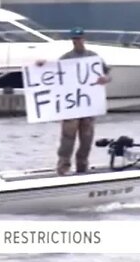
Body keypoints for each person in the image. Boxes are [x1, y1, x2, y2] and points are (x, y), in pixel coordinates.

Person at [37, 27, 111, 175]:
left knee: (87, 139)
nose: (77, 41)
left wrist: (105, 79)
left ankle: (82, 166)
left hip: (88, 105)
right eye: (74, 39)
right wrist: (42, 66)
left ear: (84, 39)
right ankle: (63, 167)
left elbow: (108, 74)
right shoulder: (66, 58)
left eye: (79, 38)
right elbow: (53, 73)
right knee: (67, 139)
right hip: (71, 105)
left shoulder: (93, 57)